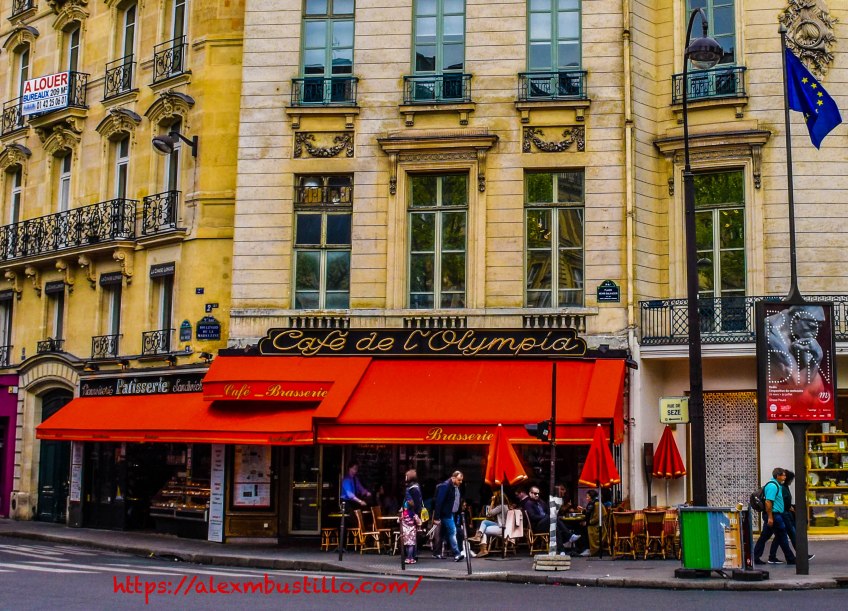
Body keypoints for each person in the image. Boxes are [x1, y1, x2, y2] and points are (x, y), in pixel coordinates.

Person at [768, 469, 814, 562]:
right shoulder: (781, 487)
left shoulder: (783, 487)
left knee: (779, 536)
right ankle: (800, 555)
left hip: (784, 512)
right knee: (792, 534)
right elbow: (778, 501)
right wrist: (789, 508)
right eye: (783, 476)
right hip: (784, 513)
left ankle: (772, 556)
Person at [753, 467, 796, 565]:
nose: (785, 477)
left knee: (765, 537)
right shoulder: (773, 486)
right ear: (778, 476)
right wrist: (770, 517)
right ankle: (790, 558)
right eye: (783, 475)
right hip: (774, 515)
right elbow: (768, 502)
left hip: (775, 515)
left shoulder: (777, 485)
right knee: (782, 536)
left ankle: (756, 556)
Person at [468, 490, 512, 558]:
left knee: (484, 530)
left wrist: (492, 501)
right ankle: (478, 536)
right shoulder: (507, 506)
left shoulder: (500, 506)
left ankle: (483, 549)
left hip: (502, 528)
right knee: (484, 522)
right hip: (503, 526)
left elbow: (488, 514)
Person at [434, 471, 466, 561]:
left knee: (442, 533)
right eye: (459, 480)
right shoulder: (445, 486)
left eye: (461, 480)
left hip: (452, 513)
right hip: (446, 514)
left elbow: (456, 500)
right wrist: (436, 517)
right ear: (454, 478)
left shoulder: (456, 487)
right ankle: (457, 553)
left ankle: (436, 552)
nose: (461, 482)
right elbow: (439, 502)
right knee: (453, 531)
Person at [401, 469, 424, 564]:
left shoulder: (410, 489)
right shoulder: (417, 487)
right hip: (415, 515)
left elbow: (411, 502)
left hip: (409, 515)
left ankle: (409, 557)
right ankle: (413, 556)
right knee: (413, 537)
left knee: (408, 538)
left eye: (406, 476)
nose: (405, 478)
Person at [578, 489, 605, 557]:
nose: (586, 498)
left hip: (596, 526)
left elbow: (596, 518)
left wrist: (587, 523)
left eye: (588, 497)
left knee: (583, 529)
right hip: (593, 523)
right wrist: (583, 510)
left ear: (591, 497)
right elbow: (589, 512)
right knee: (580, 528)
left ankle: (588, 548)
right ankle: (584, 548)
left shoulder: (597, 504)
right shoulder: (593, 503)